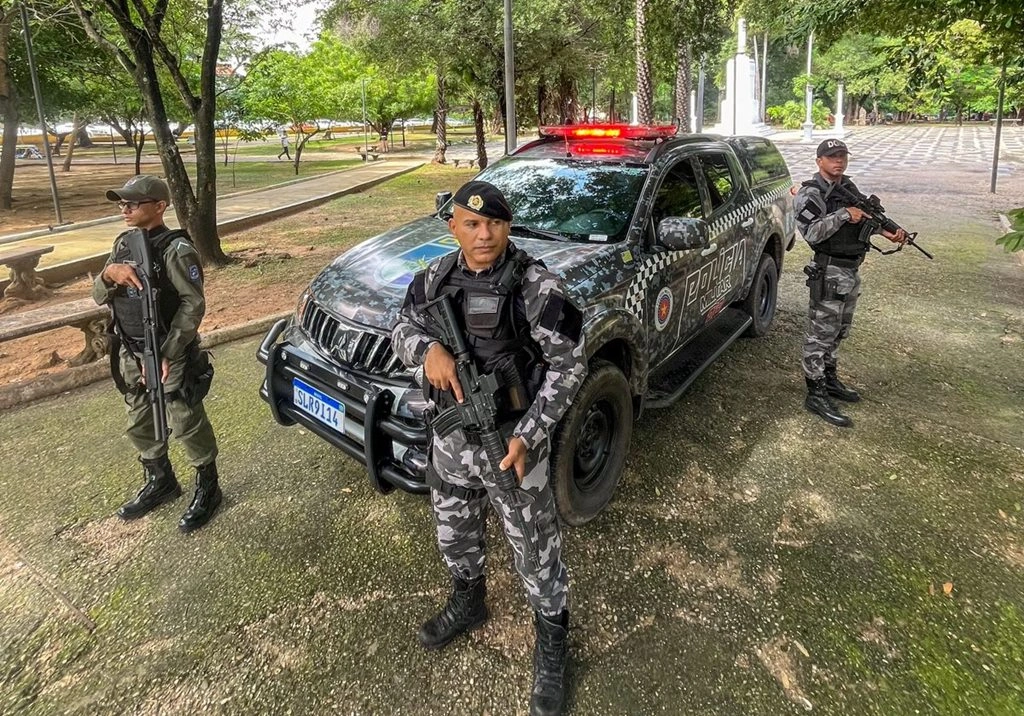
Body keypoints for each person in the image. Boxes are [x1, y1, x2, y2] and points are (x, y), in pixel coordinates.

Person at [392, 181, 587, 716]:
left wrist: (531, 433)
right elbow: (401, 325)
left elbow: (571, 366)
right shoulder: (434, 278)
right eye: (472, 224)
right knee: (454, 528)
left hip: (512, 444)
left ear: (507, 226)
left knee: (535, 545)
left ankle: (551, 640)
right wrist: (427, 349)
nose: (484, 235)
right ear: (452, 225)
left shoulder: (538, 287)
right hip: (452, 440)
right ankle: (469, 598)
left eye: (495, 224)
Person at [92, 175, 222, 533]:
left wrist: (166, 352)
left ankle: (208, 486)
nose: (125, 208)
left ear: (160, 206)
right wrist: (108, 274)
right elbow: (97, 295)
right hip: (129, 350)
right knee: (139, 417)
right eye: (122, 203)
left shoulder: (176, 250)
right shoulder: (122, 245)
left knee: (184, 418)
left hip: (167, 352)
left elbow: (192, 306)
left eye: (133, 203)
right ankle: (160, 480)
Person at [795, 140, 906, 427]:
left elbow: (865, 218)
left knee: (839, 330)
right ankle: (815, 393)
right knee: (820, 333)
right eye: (832, 157)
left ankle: (830, 380)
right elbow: (812, 233)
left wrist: (887, 231)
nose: (839, 162)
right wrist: (844, 214)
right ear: (819, 160)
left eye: (842, 156)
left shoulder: (848, 188)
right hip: (829, 269)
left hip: (850, 270)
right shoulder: (811, 193)